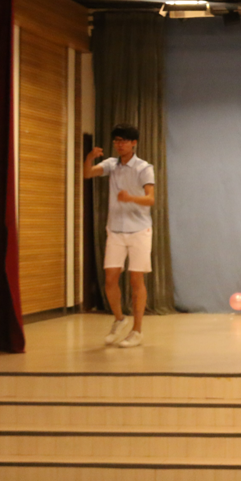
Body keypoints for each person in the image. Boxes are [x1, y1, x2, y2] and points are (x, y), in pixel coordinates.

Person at [82, 123, 155, 348]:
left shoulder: (144, 167)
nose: (119, 144)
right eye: (116, 141)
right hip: (115, 229)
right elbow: (87, 174)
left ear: (134, 143)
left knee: (136, 280)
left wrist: (131, 198)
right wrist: (89, 157)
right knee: (110, 278)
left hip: (139, 230)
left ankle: (137, 330)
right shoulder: (111, 164)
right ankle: (119, 319)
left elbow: (150, 199)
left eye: (123, 141)